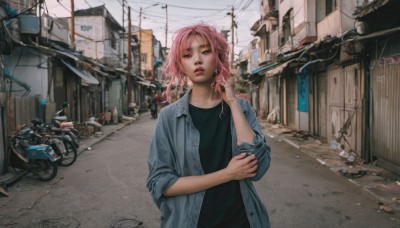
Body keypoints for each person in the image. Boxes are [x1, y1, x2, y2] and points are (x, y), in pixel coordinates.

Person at [146, 24, 271, 228]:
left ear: (218, 57)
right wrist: (228, 174)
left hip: (242, 221)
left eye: (205, 51)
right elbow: (160, 182)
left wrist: (233, 103)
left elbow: (257, 168)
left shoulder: (241, 108)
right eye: (188, 55)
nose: (197, 60)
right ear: (180, 64)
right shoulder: (169, 117)